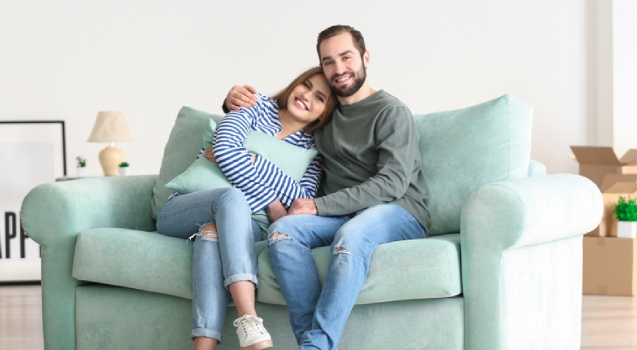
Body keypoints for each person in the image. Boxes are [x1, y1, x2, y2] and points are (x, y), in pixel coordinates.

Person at [223, 25, 431, 350]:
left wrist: (318, 206)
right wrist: (231, 100)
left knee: (351, 238)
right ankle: (312, 343)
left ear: (365, 57)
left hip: (399, 209)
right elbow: (275, 115)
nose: (338, 68)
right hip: (341, 212)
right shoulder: (324, 114)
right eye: (328, 61)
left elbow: (392, 182)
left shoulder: (391, 112)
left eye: (346, 57)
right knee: (283, 232)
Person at [157, 66, 337, 350]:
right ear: (294, 84)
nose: (306, 96)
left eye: (320, 98)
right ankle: (249, 318)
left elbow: (301, 199)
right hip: (184, 207)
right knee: (231, 198)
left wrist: (255, 162)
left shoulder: (313, 152)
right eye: (306, 85)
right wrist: (272, 200)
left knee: (210, 235)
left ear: (324, 114)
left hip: (246, 225)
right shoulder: (255, 107)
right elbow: (226, 146)